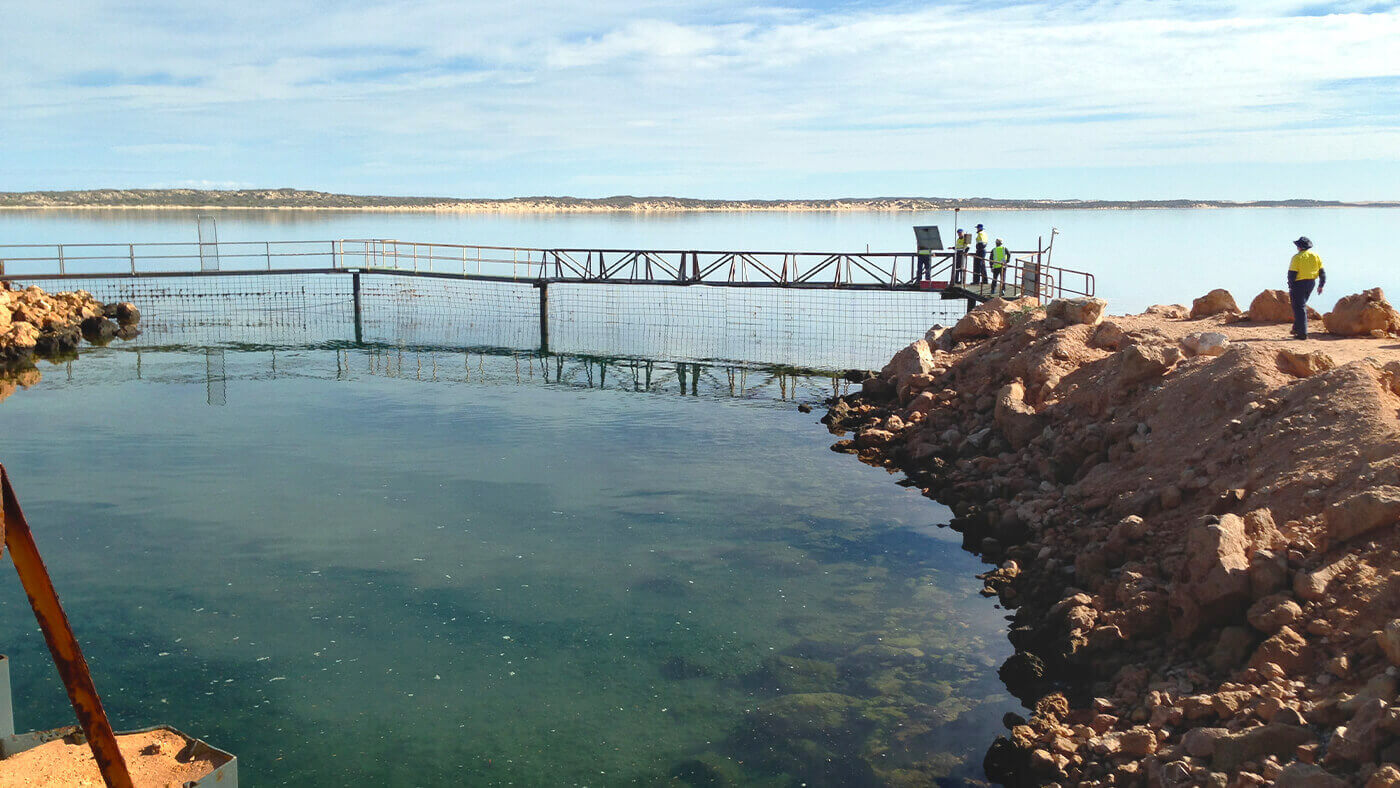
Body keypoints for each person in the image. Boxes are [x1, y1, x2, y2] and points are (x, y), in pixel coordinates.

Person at [1287, 236, 1325, 339]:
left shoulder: (1297, 257)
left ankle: (1302, 333)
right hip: (1311, 283)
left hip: (1298, 284)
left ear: (1299, 247)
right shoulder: (1315, 256)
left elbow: (1292, 273)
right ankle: (1296, 328)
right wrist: (1321, 285)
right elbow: (1322, 272)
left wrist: (1291, 285)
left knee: (1299, 307)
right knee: (1300, 306)